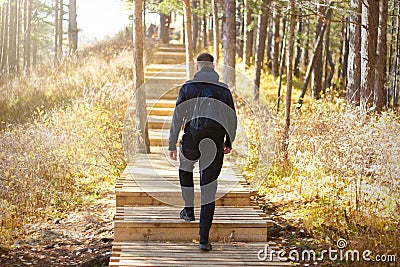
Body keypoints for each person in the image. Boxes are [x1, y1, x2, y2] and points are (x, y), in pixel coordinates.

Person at [168, 52, 237, 251]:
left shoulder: (187, 87)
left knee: (185, 166)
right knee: (208, 190)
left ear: (198, 67)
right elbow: (232, 119)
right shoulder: (223, 90)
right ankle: (203, 240)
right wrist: (228, 141)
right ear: (213, 67)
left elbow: (177, 118)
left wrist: (172, 145)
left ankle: (188, 209)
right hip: (214, 142)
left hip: (191, 139)